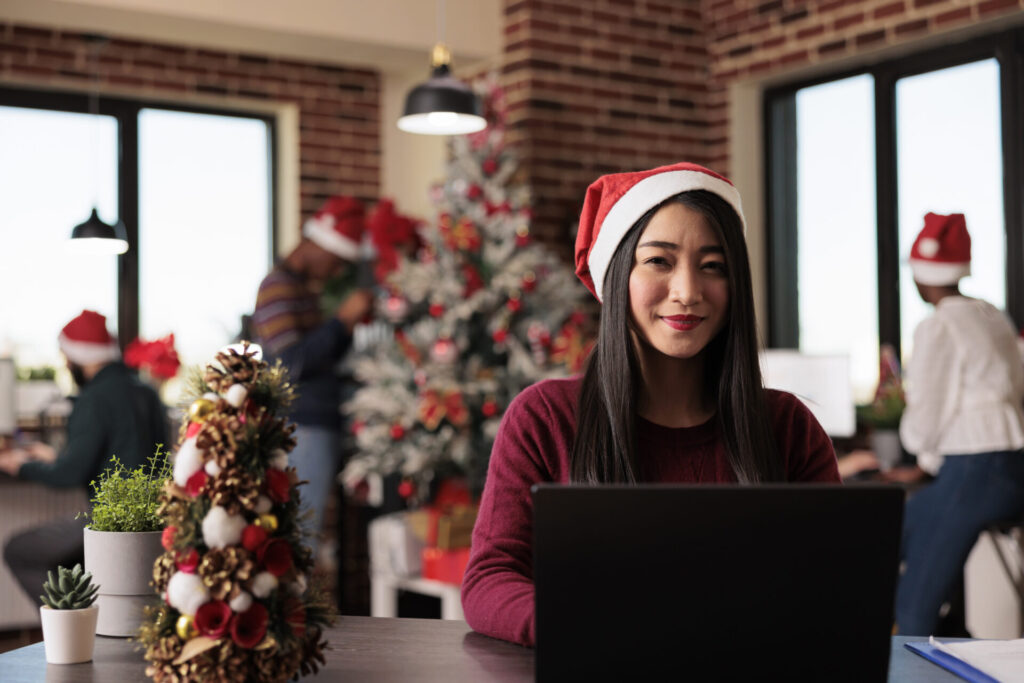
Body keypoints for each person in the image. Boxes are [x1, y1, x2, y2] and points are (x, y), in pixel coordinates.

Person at [460, 162, 841, 647]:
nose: (687, 292)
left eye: (713, 266)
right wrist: (586, 626)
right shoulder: (544, 417)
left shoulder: (788, 426)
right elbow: (491, 577)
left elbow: (835, 584)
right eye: (659, 261)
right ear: (618, 276)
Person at [894, 212, 1024, 636]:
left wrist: (918, 452)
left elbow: (929, 413)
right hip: (1012, 471)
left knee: (912, 608)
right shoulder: (992, 315)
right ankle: (954, 643)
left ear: (922, 274)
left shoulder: (938, 325)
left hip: (973, 474)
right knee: (906, 526)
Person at [0, 310, 168, 604]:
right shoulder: (147, 392)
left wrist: (22, 465)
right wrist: (54, 457)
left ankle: (77, 624)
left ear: (80, 357)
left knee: (19, 549)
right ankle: (89, 618)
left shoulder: (93, 398)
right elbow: (123, 452)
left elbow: (69, 475)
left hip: (113, 525)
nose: (65, 364)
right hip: (159, 522)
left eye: (66, 357)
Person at [252, 196, 374, 560]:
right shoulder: (277, 287)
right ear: (319, 246)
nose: (336, 271)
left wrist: (344, 328)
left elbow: (319, 358)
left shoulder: (301, 290)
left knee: (302, 533)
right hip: (301, 427)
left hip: (310, 425)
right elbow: (291, 364)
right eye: (336, 261)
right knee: (299, 535)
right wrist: (341, 321)